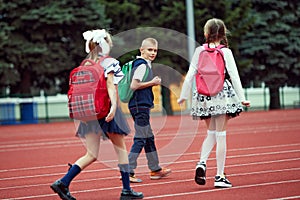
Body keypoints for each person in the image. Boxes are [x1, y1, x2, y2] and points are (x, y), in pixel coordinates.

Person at [50, 29, 144, 200]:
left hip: (89, 112)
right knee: (121, 149)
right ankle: (126, 190)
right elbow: (110, 85)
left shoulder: (85, 64)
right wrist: (114, 107)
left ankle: (63, 182)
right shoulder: (108, 62)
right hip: (105, 108)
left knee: (91, 154)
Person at [177, 18, 250, 188]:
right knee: (221, 135)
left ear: (205, 33)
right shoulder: (226, 52)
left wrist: (183, 95)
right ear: (223, 34)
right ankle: (219, 176)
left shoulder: (198, 51)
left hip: (203, 95)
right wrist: (242, 97)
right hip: (221, 94)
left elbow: (189, 75)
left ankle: (202, 163)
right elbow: (234, 75)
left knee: (211, 132)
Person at [127, 38, 171, 183]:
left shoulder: (142, 64)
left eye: (155, 50)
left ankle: (155, 169)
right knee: (140, 137)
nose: (153, 53)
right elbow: (134, 85)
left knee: (149, 137)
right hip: (140, 106)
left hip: (139, 106)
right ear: (142, 50)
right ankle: (128, 170)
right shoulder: (142, 65)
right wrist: (152, 82)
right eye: (150, 50)